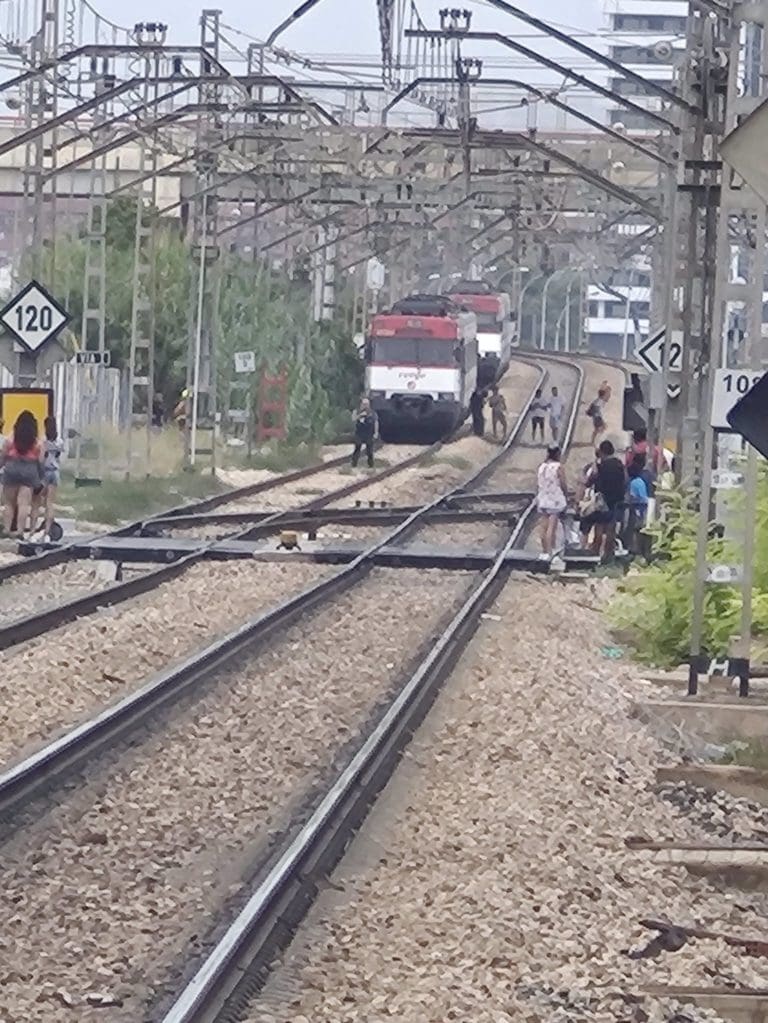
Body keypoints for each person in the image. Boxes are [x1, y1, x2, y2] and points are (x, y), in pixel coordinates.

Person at [0, 410, 43, 538]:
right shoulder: (37, 443)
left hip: (12, 470)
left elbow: (2, 457)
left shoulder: (10, 439)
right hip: (29, 472)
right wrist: (39, 478)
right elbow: (41, 462)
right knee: (23, 504)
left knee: (9, 503)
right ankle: (19, 531)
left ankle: (6, 530)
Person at [537, 445, 568, 558]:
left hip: (543, 497)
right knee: (552, 527)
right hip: (554, 499)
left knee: (543, 526)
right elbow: (563, 483)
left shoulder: (542, 467)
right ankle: (550, 552)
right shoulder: (558, 467)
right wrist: (566, 494)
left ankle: (544, 551)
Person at [39, 416, 62, 541]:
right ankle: (48, 530)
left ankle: (40, 529)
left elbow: (41, 459)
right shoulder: (59, 441)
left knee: (40, 501)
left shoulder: (43, 441)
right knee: (50, 503)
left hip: (45, 472)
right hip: (55, 472)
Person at [351, 397, 376, 468]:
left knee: (369, 450)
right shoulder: (356, 411)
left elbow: (376, 422)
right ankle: (354, 464)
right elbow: (353, 419)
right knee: (357, 448)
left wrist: (376, 432)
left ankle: (371, 465)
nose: (365, 406)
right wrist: (360, 415)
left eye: (367, 404)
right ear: (361, 404)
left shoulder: (372, 412)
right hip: (359, 433)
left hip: (369, 433)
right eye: (364, 404)